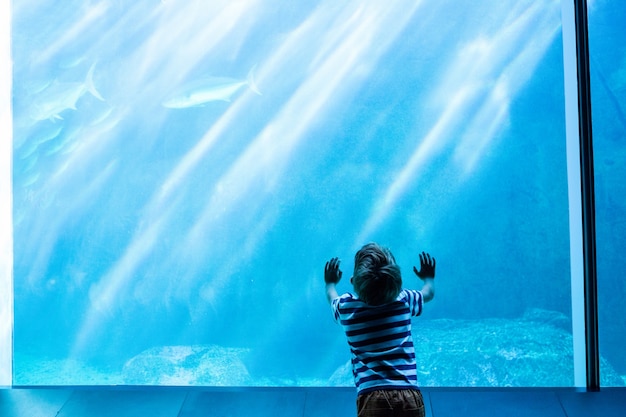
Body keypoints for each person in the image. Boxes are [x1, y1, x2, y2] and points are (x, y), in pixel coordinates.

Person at [325, 243, 435, 417]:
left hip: (372, 397)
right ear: (398, 284)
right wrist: (428, 278)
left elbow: (332, 298)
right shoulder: (404, 300)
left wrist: (330, 283)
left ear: (353, 281)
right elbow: (428, 293)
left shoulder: (347, 307)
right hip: (409, 395)